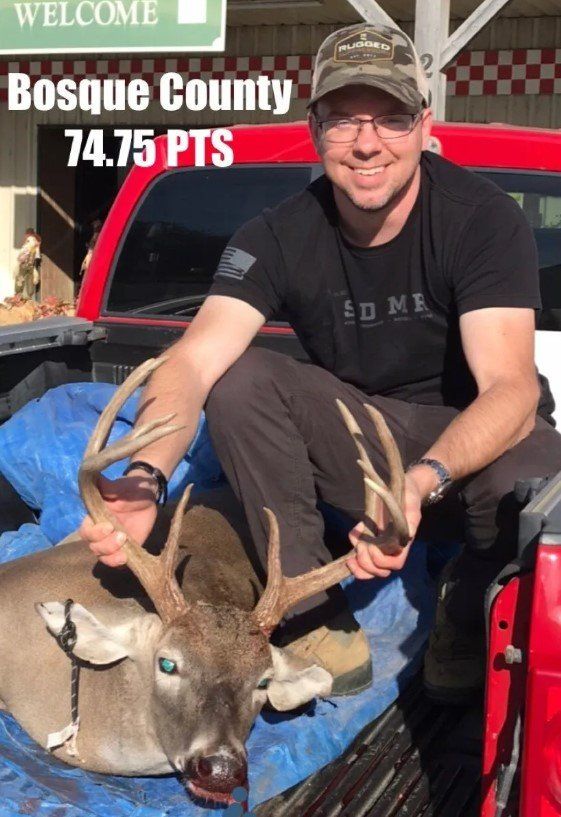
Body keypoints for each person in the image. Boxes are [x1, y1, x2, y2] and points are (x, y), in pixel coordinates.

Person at [80, 23, 561, 702]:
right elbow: (191, 360)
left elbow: (508, 388)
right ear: (314, 128)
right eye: (343, 120)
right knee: (240, 376)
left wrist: (418, 483)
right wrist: (143, 476)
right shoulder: (275, 235)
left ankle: (469, 589)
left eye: (390, 118)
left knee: (533, 479)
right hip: (363, 437)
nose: (367, 144)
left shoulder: (481, 219)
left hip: (472, 438)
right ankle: (311, 617)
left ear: (424, 126)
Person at [15, 228, 41, 301]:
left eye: (25, 234)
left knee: (20, 279)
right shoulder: (37, 240)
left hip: (25, 263)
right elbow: (36, 254)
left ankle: (18, 297)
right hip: (31, 264)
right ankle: (29, 297)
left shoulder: (30, 240)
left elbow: (27, 250)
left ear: (27, 234)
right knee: (29, 280)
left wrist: (20, 259)